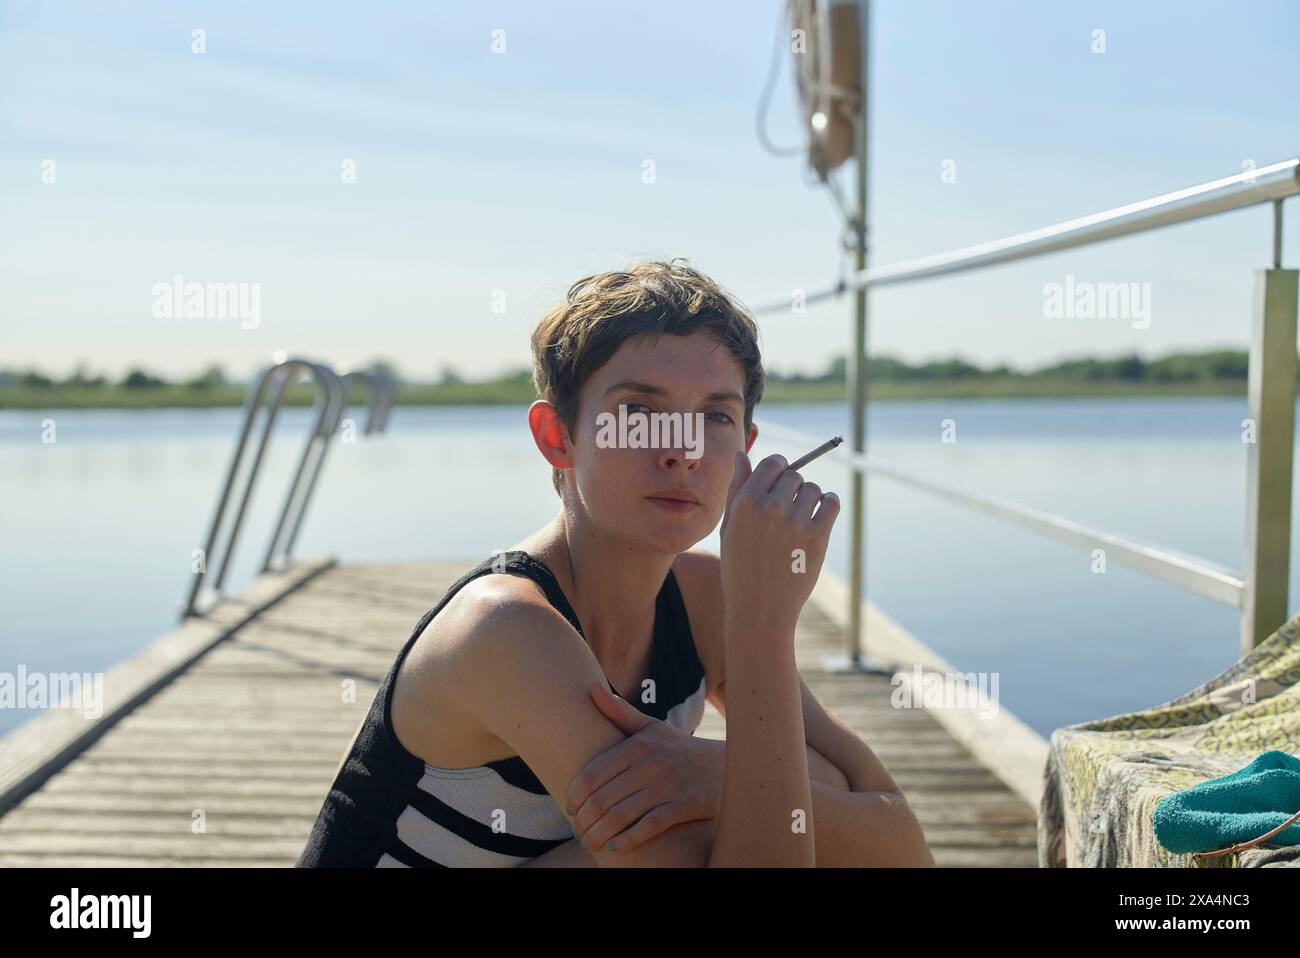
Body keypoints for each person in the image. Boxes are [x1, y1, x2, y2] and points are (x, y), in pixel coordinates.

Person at [296, 259, 933, 867]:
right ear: (557, 437)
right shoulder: (504, 629)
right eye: (639, 412)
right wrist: (763, 624)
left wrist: (714, 775)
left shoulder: (704, 599)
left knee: (792, 778)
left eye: (714, 416)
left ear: (744, 449)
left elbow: (903, 843)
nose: (682, 452)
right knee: (760, 792)